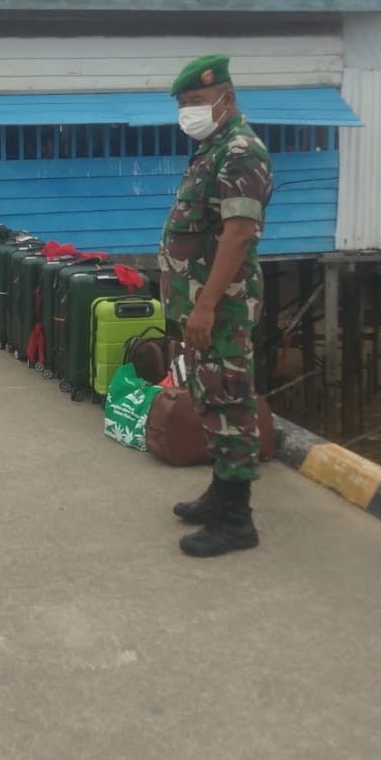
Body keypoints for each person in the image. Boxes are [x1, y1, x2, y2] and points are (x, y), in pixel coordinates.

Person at [158, 54, 274, 557]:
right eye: (183, 104)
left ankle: (236, 518)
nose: (189, 111)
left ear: (226, 98)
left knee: (229, 397)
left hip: (221, 306)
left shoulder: (241, 150)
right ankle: (220, 492)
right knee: (209, 395)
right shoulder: (212, 148)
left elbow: (239, 233)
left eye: (197, 102)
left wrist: (205, 306)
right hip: (201, 303)